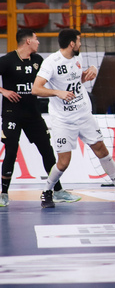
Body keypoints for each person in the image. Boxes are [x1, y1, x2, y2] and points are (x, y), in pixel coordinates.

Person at [32, 29, 115, 208]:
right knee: (63, 162)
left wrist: (89, 72)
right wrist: (57, 93)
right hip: (63, 120)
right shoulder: (51, 62)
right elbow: (36, 89)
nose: (80, 44)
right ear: (71, 44)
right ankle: (47, 191)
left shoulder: (78, 57)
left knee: (102, 150)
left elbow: (76, 81)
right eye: (78, 41)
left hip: (84, 115)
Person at [0, 30, 80, 207]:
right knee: (11, 151)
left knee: (46, 149)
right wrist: (3, 90)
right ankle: (3, 193)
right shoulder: (7, 60)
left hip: (33, 114)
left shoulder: (38, 61)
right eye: (36, 39)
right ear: (28, 41)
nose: (39, 43)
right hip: (12, 114)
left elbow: (53, 80)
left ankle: (57, 190)